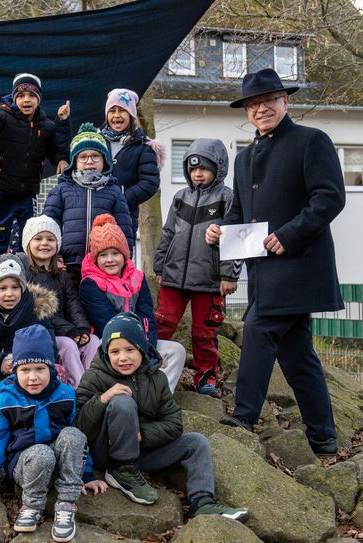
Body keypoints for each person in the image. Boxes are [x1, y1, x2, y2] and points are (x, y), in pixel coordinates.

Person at [206, 68, 346, 455]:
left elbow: (330, 198)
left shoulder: (312, 141)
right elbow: (239, 214)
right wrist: (220, 230)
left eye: (269, 100)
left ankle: (244, 416)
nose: (261, 108)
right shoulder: (244, 158)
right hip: (263, 271)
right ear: (247, 111)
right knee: (297, 355)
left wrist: (289, 235)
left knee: (258, 327)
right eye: (253, 104)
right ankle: (323, 437)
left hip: (301, 266)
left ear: (285, 102)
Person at [75, 312, 250, 523]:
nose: (123, 358)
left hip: (143, 452)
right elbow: (78, 427)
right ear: (106, 353)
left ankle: (202, 503)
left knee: (196, 442)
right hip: (107, 452)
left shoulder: (157, 379)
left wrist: (143, 435)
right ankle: (122, 469)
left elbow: (174, 424)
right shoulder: (94, 377)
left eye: (130, 349)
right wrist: (103, 399)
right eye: (115, 351)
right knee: (122, 401)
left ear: (142, 349)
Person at [0, 325, 106, 542]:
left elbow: (77, 443)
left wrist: (86, 474)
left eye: (40, 369)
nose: (33, 377)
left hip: (58, 463)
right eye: (25, 370)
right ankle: (31, 505)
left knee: (73, 434)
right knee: (41, 452)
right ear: (15, 371)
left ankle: (67, 503)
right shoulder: (2, 403)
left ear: (51, 368)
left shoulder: (65, 394)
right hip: (25, 464)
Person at [154, 139, 240, 398]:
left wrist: (229, 274)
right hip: (174, 277)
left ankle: (206, 377)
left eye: (204, 169)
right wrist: (160, 267)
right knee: (162, 324)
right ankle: (151, 370)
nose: (198, 174)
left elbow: (234, 238)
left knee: (204, 333)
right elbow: (168, 233)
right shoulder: (180, 198)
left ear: (218, 169)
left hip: (209, 280)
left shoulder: (227, 198)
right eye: (193, 169)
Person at [0, 253, 64, 462]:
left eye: (15, 287)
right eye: (2, 288)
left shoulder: (36, 308)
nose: (9, 293)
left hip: (29, 372)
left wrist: (24, 362)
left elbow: (49, 346)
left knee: (58, 370)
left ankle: (53, 427)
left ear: (23, 288)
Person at [79, 214, 185, 393]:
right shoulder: (90, 283)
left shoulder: (138, 277)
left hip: (141, 341)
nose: (110, 259)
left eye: (115, 253)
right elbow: (108, 323)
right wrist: (139, 351)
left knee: (176, 351)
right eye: (103, 255)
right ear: (96, 259)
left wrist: (148, 348)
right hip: (109, 342)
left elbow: (146, 316)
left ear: (125, 255)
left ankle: (160, 395)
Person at [0, 73, 71, 254]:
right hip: (2, 191)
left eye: (32, 95)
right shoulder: (3, 117)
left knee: (27, 238)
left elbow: (55, 151)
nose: (26, 99)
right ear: (14, 98)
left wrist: (62, 159)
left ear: (38, 99)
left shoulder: (46, 126)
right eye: (21, 95)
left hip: (27, 193)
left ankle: (25, 270)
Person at [43, 124, 133, 284]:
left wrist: (125, 261)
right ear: (74, 161)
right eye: (83, 157)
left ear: (104, 160)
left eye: (95, 156)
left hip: (103, 265)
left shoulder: (114, 192)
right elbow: (49, 225)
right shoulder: (61, 190)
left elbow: (124, 230)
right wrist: (53, 257)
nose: (89, 161)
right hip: (67, 265)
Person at [19, 215, 95, 387]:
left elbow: (72, 303)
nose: (45, 243)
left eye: (50, 239)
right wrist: (69, 331)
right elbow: (39, 311)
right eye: (38, 239)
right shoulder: (24, 275)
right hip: (43, 333)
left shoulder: (61, 275)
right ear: (28, 243)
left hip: (68, 330)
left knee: (93, 341)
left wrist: (82, 328)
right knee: (68, 345)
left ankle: (92, 382)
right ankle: (79, 388)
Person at [100, 88, 162, 246]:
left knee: (120, 254)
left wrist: (123, 199)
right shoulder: (96, 142)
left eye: (122, 110)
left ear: (132, 115)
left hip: (125, 216)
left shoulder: (143, 146)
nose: (116, 115)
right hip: (96, 211)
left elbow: (150, 182)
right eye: (112, 110)